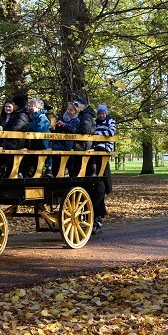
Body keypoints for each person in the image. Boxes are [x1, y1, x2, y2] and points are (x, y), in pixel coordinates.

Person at [90, 104, 116, 234]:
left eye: (103, 113)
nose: (101, 115)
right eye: (99, 113)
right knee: (99, 187)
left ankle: (97, 219)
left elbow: (111, 132)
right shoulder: (94, 122)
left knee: (104, 186)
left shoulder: (110, 121)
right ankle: (96, 219)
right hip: (94, 151)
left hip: (103, 151)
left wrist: (98, 134)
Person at [51, 102, 80, 177]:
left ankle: (70, 177)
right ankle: (55, 176)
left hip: (68, 144)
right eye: (68, 109)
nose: (69, 111)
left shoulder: (76, 120)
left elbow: (73, 128)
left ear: (75, 111)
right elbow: (56, 129)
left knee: (69, 163)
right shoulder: (62, 117)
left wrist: (63, 124)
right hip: (58, 142)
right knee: (55, 161)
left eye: (71, 110)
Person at [70, 97, 96, 176]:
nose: (75, 107)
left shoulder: (86, 116)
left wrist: (73, 131)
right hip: (81, 144)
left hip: (83, 145)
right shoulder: (80, 115)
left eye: (77, 105)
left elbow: (85, 130)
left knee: (77, 169)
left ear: (84, 106)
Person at [25, 98, 50, 177]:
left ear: (39, 108)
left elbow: (40, 129)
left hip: (41, 142)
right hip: (32, 141)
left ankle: (37, 174)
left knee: (36, 159)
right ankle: (28, 173)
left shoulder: (43, 118)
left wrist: (30, 129)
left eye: (33, 106)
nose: (31, 107)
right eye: (30, 106)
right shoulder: (31, 117)